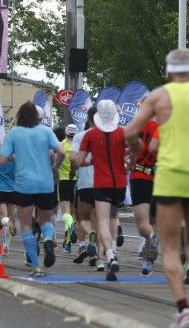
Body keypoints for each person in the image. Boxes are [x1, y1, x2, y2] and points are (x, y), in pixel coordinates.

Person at [125, 49, 189, 328]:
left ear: (168, 72)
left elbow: (130, 133)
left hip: (169, 178)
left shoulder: (159, 97)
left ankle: (184, 311)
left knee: (171, 247)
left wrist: (138, 148)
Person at [0, 101, 65, 276]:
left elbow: (2, 159)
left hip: (24, 185)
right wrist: (55, 168)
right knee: (46, 220)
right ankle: (49, 239)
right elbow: (62, 151)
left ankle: (36, 265)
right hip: (46, 184)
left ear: (20, 115)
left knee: (26, 224)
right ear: (37, 117)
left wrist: (15, 157)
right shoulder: (46, 131)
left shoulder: (14, 133)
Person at [73, 100, 127, 281]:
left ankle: (109, 256)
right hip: (120, 183)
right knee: (113, 217)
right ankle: (114, 250)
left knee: (101, 220)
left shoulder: (91, 135)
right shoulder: (122, 133)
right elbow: (134, 153)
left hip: (101, 182)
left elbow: (79, 161)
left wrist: (91, 160)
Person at [70, 106, 103, 270]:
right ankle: (97, 255)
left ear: (88, 118)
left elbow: (73, 158)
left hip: (84, 183)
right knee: (99, 219)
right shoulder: (107, 134)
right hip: (104, 183)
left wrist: (73, 169)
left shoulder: (80, 136)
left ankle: (84, 243)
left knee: (82, 218)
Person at [128, 114, 160, 276]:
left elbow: (133, 152)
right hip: (161, 179)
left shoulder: (139, 126)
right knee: (153, 222)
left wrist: (130, 163)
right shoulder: (164, 128)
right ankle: (147, 262)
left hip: (141, 176)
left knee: (143, 225)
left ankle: (153, 238)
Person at [58, 123, 78, 253]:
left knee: (65, 212)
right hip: (77, 181)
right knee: (73, 212)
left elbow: (56, 162)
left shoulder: (61, 145)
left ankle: (69, 233)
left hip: (63, 179)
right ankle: (68, 242)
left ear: (66, 133)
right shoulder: (79, 146)